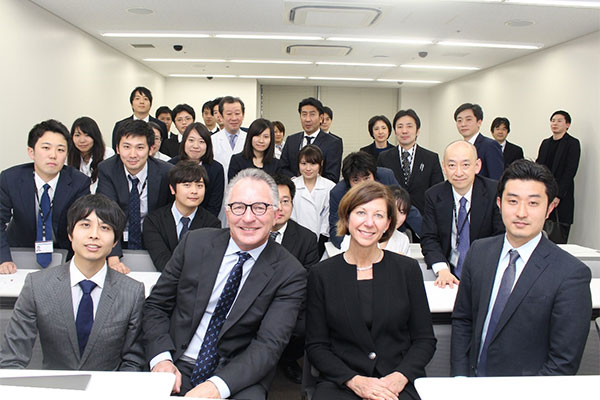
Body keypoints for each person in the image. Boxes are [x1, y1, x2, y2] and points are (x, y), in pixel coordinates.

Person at [143, 168, 306, 399]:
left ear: (276, 213)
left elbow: (269, 345)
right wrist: (161, 360)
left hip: (237, 372)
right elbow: (156, 306)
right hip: (176, 360)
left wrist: (216, 387)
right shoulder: (195, 243)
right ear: (227, 212)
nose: (248, 218)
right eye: (239, 207)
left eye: (259, 207)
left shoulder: (290, 273)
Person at [451, 159, 592, 377]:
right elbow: (463, 320)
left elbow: (563, 362)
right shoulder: (479, 252)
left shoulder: (571, 274)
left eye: (533, 203)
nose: (521, 212)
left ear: (550, 207)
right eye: (513, 201)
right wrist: (460, 378)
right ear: (499, 203)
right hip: (472, 385)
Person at [306, 181, 436, 400]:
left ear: (387, 224)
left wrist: (399, 377)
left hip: (396, 383)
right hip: (342, 383)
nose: (369, 222)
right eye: (361, 212)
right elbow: (317, 346)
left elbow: (425, 340)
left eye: (378, 215)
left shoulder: (407, 270)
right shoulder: (322, 274)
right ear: (346, 218)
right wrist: (355, 381)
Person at [0, 194, 145, 370]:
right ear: (70, 233)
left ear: (115, 241)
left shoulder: (132, 292)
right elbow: (12, 358)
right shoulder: (37, 285)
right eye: (85, 225)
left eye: (105, 228)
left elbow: (133, 360)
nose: (94, 235)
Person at [0, 119, 90, 274]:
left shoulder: (79, 182)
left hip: (63, 252)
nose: (53, 155)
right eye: (46, 148)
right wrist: (3, 258)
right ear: (31, 152)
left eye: (60, 150)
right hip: (19, 252)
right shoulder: (10, 179)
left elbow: (83, 225)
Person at [421, 141, 504, 288]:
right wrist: (442, 269)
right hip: (448, 273)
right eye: (452, 165)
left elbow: (500, 236)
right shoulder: (433, 195)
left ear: (477, 166)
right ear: (444, 167)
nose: (458, 172)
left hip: (486, 271)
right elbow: (429, 238)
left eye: (465, 165)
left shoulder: (494, 192)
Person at [97, 119, 173, 273]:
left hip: (155, 241)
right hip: (117, 240)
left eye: (139, 147)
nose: (132, 154)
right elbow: (107, 214)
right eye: (126, 147)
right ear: (117, 148)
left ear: (151, 149)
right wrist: (113, 257)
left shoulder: (166, 172)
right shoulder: (107, 170)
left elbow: (168, 217)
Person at [270, 174, 319, 384]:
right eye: (274, 201)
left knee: (310, 321)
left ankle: (288, 359)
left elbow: (307, 280)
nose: (279, 207)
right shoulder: (249, 232)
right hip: (253, 303)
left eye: (285, 201)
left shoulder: (306, 238)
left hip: (291, 304)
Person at [329, 152, 423, 248]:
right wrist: (351, 247)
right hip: (356, 238)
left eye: (367, 178)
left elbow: (405, 207)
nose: (363, 184)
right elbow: (335, 229)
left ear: (374, 175)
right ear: (348, 181)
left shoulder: (386, 177)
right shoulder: (338, 193)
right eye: (356, 180)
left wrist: (427, 237)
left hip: (389, 235)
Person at [143, 161, 221, 271]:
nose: (194, 191)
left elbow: (206, 262)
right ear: (172, 189)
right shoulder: (154, 221)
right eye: (187, 185)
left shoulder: (212, 224)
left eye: (199, 185)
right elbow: (161, 259)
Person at [377, 109, 443, 214]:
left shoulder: (431, 158)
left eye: (409, 126)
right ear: (394, 131)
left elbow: (438, 193)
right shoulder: (384, 157)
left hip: (422, 218)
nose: (404, 131)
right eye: (400, 126)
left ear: (418, 130)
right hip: (392, 217)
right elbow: (379, 190)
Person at [327, 184, 411, 258]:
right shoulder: (354, 237)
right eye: (361, 213)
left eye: (402, 212)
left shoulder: (403, 240)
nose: (397, 217)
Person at [536, 110, 580, 243]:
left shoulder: (572, 143)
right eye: (553, 120)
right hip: (543, 194)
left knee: (558, 234)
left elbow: (570, 171)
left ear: (567, 125)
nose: (555, 123)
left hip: (562, 197)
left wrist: (558, 195)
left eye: (559, 121)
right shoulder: (546, 143)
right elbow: (539, 167)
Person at [279, 97, 343, 182]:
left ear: (321, 118)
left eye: (312, 114)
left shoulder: (333, 143)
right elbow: (282, 168)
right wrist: (296, 181)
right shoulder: (291, 140)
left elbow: (332, 176)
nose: (307, 119)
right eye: (304, 114)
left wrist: (309, 183)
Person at [168, 122, 224, 217]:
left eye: (201, 141)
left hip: (205, 222)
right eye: (191, 140)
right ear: (184, 142)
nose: (195, 146)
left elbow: (214, 205)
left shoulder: (216, 169)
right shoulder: (171, 165)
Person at [291, 145, 335, 248]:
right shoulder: (292, 185)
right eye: (304, 164)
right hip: (295, 241)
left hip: (321, 241)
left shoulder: (330, 187)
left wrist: (321, 241)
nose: (308, 168)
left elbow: (327, 220)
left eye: (313, 164)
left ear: (321, 164)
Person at [454, 103, 504, 180]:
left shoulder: (490, 146)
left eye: (468, 119)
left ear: (479, 122)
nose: (463, 124)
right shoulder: (458, 148)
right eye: (459, 120)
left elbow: (496, 179)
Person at [111, 86, 167, 153]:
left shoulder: (160, 125)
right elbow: (116, 149)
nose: (141, 102)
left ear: (150, 104)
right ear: (132, 103)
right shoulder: (120, 125)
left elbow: (163, 149)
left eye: (145, 99)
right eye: (137, 98)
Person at [68, 116, 115, 194]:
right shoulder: (67, 156)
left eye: (87, 135)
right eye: (77, 135)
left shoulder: (107, 154)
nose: (82, 140)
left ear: (95, 136)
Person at [212, 96, 247, 181]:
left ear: (243, 115)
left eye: (237, 113)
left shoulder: (250, 139)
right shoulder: (212, 140)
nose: (234, 118)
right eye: (229, 114)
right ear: (220, 116)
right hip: (220, 190)